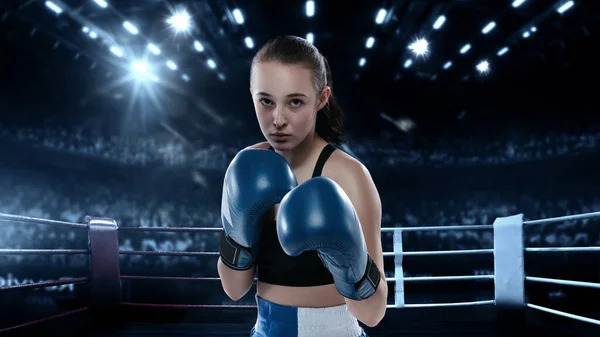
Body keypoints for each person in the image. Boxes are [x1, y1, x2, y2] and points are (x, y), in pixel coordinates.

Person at [217, 35, 387, 337]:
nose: (278, 120)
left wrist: (349, 264)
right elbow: (234, 289)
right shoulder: (247, 166)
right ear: (252, 95)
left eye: (295, 102)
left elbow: (373, 313)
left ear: (321, 99)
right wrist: (238, 234)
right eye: (266, 101)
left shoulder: (349, 176)